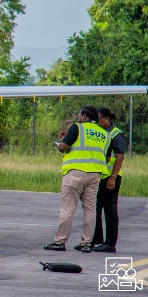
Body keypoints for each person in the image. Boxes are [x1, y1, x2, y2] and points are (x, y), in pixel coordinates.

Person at [44, 105, 108, 253]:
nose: (78, 118)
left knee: (68, 209)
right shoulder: (105, 134)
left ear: (85, 116)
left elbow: (63, 147)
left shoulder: (77, 128)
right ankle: (86, 243)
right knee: (90, 210)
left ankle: (60, 241)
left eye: (80, 116)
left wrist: (62, 143)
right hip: (95, 175)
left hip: (75, 173)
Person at [91, 107, 127, 253]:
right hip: (100, 176)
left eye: (98, 118)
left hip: (111, 178)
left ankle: (110, 243)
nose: (96, 121)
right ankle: (96, 240)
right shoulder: (99, 133)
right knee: (95, 209)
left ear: (107, 119)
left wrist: (113, 177)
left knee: (110, 211)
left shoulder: (116, 135)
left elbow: (119, 157)